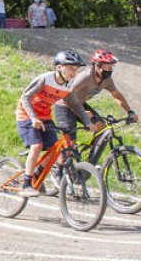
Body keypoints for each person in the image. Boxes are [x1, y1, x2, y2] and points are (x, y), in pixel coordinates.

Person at [14, 50, 98, 196]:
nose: (74, 72)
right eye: (71, 68)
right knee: (37, 145)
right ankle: (26, 184)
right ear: (59, 67)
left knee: (55, 150)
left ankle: (37, 174)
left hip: (45, 117)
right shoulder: (45, 79)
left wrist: (86, 121)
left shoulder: (67, 85)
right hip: (26, 115)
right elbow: (25, 97)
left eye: (76, 69)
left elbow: (75, 104)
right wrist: (34, 118)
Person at [54, 49, 139, 140]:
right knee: (69, 144)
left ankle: (92, 153)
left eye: (111, 66)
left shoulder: (107, 80)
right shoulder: (86, 77)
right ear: (98, 65)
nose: (110, 69)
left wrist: (130, 111)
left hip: (79, 104)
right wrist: (82, 112)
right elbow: (67, 93)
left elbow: (117, 95)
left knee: (102, 128)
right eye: (107, 66)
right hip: (64, 106)